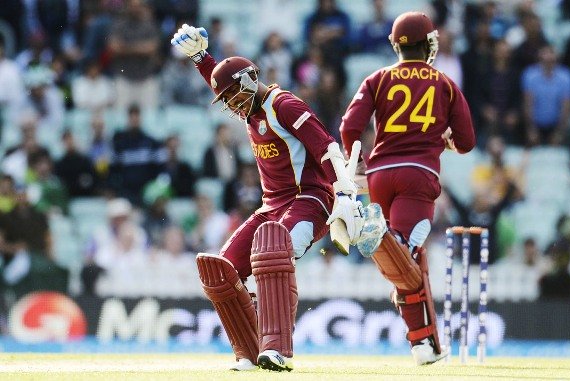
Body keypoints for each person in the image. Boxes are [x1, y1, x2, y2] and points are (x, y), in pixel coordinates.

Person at [170, 24, 363, 371]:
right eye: (226, 100)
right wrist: (202, 59)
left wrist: (345, 193)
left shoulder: (283, 104)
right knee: (223, 271)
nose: (231, 104)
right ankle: (249, 349)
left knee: (273, 251)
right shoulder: (249, 105)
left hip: (311, 198)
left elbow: (327, 147)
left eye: (233, 96)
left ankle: (278, 350)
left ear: (248, 81)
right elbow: (223, 78)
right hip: (272, 204)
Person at [339, 11, 476, 365]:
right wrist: (444, 141)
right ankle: (387, 244)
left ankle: (425, 344)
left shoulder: (378, 78)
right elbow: (467, 141)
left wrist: (356, 165)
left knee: (410, 261)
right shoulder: (444, 83)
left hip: (379, 175)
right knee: (404, 253)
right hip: (418, 174)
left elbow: (349, 127)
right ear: (429, 44)